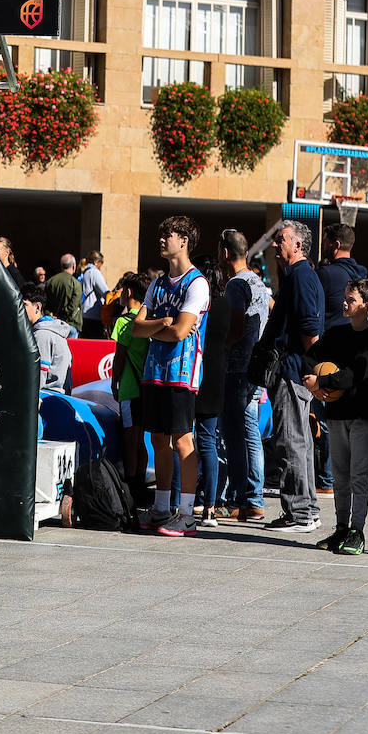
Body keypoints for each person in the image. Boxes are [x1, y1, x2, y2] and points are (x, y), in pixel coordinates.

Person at [131, 216, 209, 538]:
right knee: (158, 439)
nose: (162, 240)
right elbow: (136, 328)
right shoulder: (157, 283)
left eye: (169, 235)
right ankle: (162, 506)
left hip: (181, 372)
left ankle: (187, 513)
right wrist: (162, 324)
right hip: (155, 372)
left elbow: (179, 332)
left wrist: (159, 327)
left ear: (184, 241)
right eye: (161, 234)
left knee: (182, 439)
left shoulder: (197, 283)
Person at [304, 279, 368, 556]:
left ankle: (357, 530)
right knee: (339, 475)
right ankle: (340, 527)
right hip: (336, 414)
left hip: (361, 415)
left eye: (351, 299)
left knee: (359, 475)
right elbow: (309, 358)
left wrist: (322, 380)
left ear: (367, 306)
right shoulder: (336, 333)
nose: (345, 303)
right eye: (346, 297)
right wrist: (312, 382)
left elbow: (354, 375)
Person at [258, 219, 325, 534]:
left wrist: (313, 374)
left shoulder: (300, 277)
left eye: (280, 239)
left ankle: (300, 513)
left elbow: (311, 333)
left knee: (292, 442)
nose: (275, 245)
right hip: (293, 372)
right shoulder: (295, 276)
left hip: (294, 372)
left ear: (297, 244)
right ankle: (305, 509)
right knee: (297, 441)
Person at [218, 229, 270, 522]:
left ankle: (243, 498)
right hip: (254, 366)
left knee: (237, 435)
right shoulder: (257, 282)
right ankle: (255, 498)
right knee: (251, 433)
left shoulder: (236, 285)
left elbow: (235, 328)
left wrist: (218, 341)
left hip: (238, 367)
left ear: (225, 253)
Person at [314, 223, 368, 498]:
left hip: (331, 352)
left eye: (326, 240)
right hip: (358, 350)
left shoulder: (326, 273)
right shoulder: (364, 273)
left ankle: (326, 478)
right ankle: (339, 476)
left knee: (327, 418)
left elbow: (315, 310)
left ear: (335, 244)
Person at [191, 258, 229, 527]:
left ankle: (182, 500)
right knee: (208, 442)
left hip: (193, 370)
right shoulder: (227, 305)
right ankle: (210, 508)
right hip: (217, 374)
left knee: (183, 438)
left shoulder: (196, 304)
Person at [109, 270, 152, 506]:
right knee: (141, 440)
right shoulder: (149, 319)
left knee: (129, 439)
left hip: (129, 387)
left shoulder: (124, 323)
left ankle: (130, 486)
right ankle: (141, 485)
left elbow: (119, 357)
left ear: (129, 292)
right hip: (146, 388)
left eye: (123, 289)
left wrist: (114, 383)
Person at [24, 282, 71, 393]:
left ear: (37, 307)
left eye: (24, 305)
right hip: (57, 398)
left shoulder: (42, 335)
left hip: (47, 398)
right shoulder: (51, 331)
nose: (19, 309)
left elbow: (39, 375)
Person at [46, 254, 83, 338]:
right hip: (71, 324)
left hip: (54, 324)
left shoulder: (51, 281)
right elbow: (74, 306)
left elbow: (46, 303)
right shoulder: (75, 283)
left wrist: (52, 316)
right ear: (73, 266)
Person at [79, 250, 110, 339]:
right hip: (93, 314)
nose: (101, 266)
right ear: (96, 262)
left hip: (84, 312)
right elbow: (105, 292)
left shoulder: (84, 272)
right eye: (101, 263)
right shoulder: (94, 272)